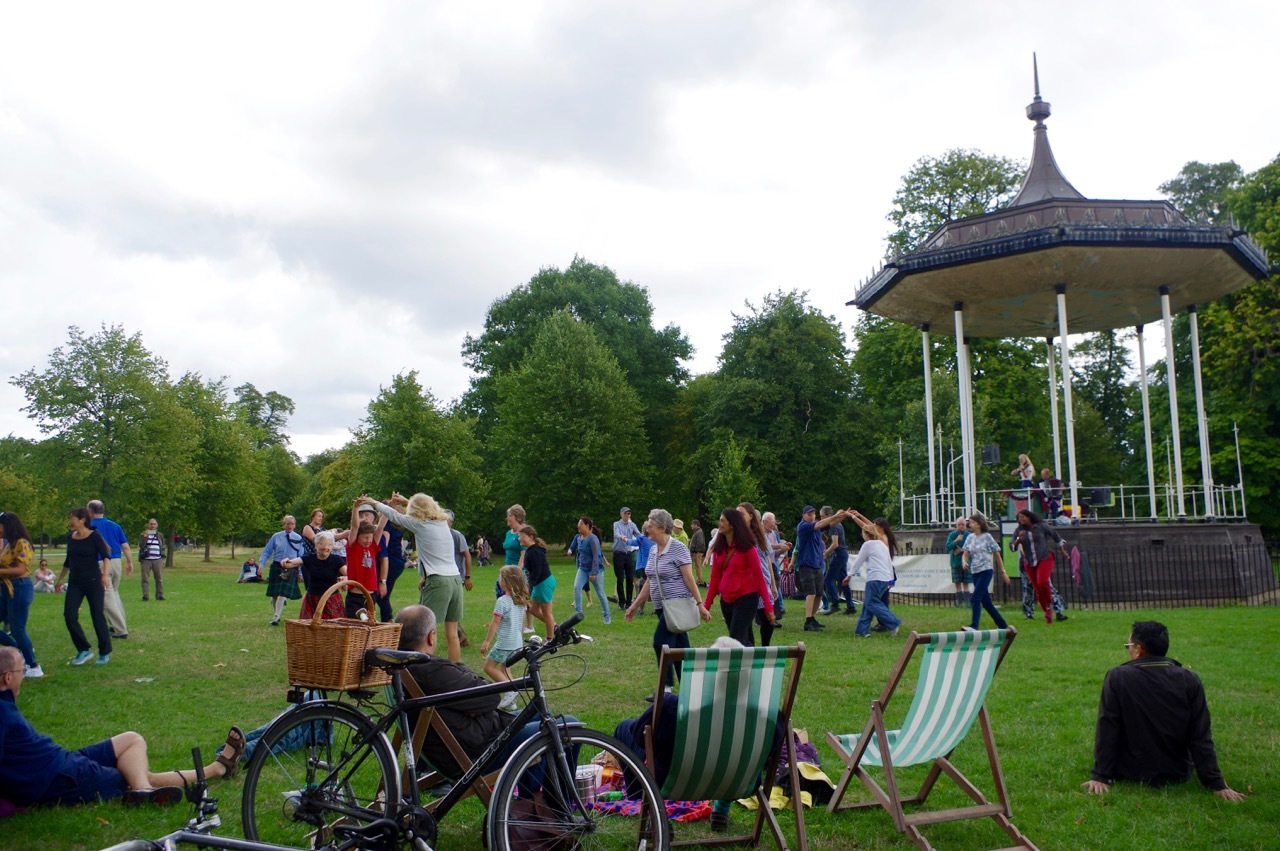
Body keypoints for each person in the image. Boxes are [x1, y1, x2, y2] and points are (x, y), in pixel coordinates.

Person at [0, 646, 244, 807]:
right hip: (60, 777)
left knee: (133, 739)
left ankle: (144, 789)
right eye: (21, 670)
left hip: (64, 761)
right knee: (136, 777)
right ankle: (215, 769)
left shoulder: (5, 703)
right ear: (7, 678)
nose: (24, 675)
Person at [393, 605, 577, 782]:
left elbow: (479, 696)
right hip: (480, 752)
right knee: (569, 726)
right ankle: (555, 806)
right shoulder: (431, 670)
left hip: (467, 740)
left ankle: (535, 797)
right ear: (431, 637)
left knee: (540, 712)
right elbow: (489, 697)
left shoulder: (405, 668)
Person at [1084, 622, 1245, 801]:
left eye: (1128, 646)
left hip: (1129, 770)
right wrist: (1215, 782)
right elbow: (1199, 735)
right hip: (1176, 771)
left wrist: (1101, 776)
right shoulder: (1189, 679)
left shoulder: (1118, 677)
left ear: (1138, 650)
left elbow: (1108, 726)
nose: (1128, 651)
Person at [362, 492, 464, 662]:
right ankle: (456, 670)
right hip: (455, 580)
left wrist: (373, 502)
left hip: (438, 581)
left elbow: (393, 514)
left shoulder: (420, 524)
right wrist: (404, 500)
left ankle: (425, 672)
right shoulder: (442, 522)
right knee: (452, 634)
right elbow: (427, 509)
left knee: (424, 631)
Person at [624, 509, 710, 687]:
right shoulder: (654, 549)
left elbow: (689, 578)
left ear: (662, 528)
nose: (647, 528)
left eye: (650, 525)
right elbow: (650, 581)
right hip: (661, 606)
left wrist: (700, 604)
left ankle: (666, 689)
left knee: (660, 642)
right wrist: (634, 605)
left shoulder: (678, 548)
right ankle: (690, 687)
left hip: (676, 605)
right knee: (680, 649)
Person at [705, 508, 774, 647]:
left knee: (735, 639)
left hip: (746, 598)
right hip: (726, 600)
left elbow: (759, 578)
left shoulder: (748, 548)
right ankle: (752, 665)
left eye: (723, 520)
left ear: (732, 524)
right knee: (743, 639)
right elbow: (715, 578)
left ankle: (740, 667)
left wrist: (768, 606)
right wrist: (707, 605)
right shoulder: (719, 548)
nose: (720, 523)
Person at [56, 508, 113, 665]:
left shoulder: (94, 536)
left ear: (82, 520)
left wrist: (104, 576)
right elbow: (68, 561)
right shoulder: (71, 537)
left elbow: (106, 556)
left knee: (97, 616)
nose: (70, 521)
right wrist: (60, 580)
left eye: (72, 517)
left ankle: (104, 652)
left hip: (94, 581)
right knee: (69, 615)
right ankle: (84, 649)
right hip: (75, 582)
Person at [844, 510, 902, 638]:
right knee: (870, 602)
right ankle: (862, 629)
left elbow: (858, 561)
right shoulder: (881, 543)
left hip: (876, 577)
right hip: (886, 576)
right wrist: (858, 515)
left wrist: (849, 575)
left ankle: (893, 621)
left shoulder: (871, 543)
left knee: (872, 603)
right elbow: (888, 561)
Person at [794, 505, 852, 632]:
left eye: (813, 514)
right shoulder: (803, 526)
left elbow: (832, 523)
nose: (812, 516)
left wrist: (844, 516)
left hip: (817, 564)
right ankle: (808, 621)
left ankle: (812, 618)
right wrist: (836, 514)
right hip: (806, 564)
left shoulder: (815, 527)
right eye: (809, 514)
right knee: (811, 593)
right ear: (803, 516)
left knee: (819, 594)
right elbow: (821, 524)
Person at [480, 565, 530, 711]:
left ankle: (511, 691)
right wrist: (519, 637)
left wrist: (487, 641)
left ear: (507, 582)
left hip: (504, 643)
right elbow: (523, 622)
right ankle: (511, 702)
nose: (498, 581)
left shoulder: (502, 601)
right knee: (505, 668)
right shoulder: (521, 601)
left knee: (489, 667)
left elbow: (495, 622)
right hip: (516, 642)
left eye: (500, 578)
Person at [0, 512, 42, 678]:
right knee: (17, 631)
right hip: (6, 588)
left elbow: (21, 569)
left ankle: (33, 666)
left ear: (8, 525)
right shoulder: (9, 544)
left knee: (17, 628)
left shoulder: (21, 543)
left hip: (19, 588)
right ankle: (20, 648)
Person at [1011, 509, 1068, 626]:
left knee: (1043, 582)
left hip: (1045, 558)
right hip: (1029, 562)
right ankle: (1047, 609)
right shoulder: (1019, 531)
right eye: (1019, 518)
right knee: (1037, 588)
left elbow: (1056, 536)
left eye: (1023, 517)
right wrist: (1018, 540)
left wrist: (1063, 551)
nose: (1021, 520)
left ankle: (1054, 608)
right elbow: (1012, 547)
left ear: (1029, 517)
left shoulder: (1041, 527)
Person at [87, 500, 132, 640]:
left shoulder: (88, 527)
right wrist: (130, 562)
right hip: (117, 561)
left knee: (106, 598)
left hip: (101, 563)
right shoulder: (115, 525)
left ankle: (121, 630)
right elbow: (125, 546)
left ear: (90, 511)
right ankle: (117, 623)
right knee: (114, 593)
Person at [280, 530, 347, 620]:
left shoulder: (337, 560)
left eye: (330, 545)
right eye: (323, 544)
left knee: (334, 627)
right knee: (308, 627)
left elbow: (348, 574)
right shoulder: (309, 558)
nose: (326, 548)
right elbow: (290, 563)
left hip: (331, 599)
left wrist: (346, 578)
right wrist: (285, 561)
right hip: (312, 599)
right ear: (316, 545)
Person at [960, 513, 1010, 631]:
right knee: (986, 603)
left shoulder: (987, 537)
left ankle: (974, 626)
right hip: (975, 572)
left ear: (979, 523)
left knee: (975, 598)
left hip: (986, 571)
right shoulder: (970, 537)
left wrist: (1003, 572)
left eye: (972, 522)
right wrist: (964, 562)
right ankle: (1002, 625)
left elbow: (997, 555)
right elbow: (965, 554)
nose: (970, 525)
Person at [343, 500, 388, 618]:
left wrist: (390, 507)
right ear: (357, 537)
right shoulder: (353, 546)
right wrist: (355, 507)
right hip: (355, 596)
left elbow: (381, 526)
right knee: (355, 625)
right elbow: (355, 526)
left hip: (371, 594)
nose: (368, 540)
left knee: (368, 624)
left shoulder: (372, 546)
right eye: (365, 538)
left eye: (370, 538)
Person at [260, 515, 304, 624]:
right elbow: (267, 551)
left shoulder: (298, 538)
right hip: (276, 566)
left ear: (295, 525)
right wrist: (261, 564)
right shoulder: (276, 536)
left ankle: (276, 616)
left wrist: (301, 572)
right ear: (283, 524)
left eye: (292, 524)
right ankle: (276, 615)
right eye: (288, 523)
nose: (290, 526)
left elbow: (302, 556)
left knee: (282, 593)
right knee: (274, 593)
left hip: (290, 566)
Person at [567, 517, 611, 624]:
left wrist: (593, 572)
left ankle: (607, 617)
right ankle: (578, 614)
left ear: (587, 526)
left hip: (595, 570)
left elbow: (596, 556)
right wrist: (570, 550)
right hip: (582, 569)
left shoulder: (593, 539)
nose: (578, 526)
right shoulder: (578, 538)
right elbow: (575, 549)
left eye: (581, 524)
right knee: (577, 588)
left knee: (600, 593)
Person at [518, 525, 556, 639]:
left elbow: (537, 572)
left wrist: (528, 588)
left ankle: (550, 639)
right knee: (533, 610)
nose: (520, 539)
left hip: (544, 583)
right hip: (538, 584)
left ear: (530, 537)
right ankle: (555, 627)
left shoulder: (535, 551)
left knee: (546, 612)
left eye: (522, 536)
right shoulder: (530, 550)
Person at [820, 506, 856, 617]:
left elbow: (835, 544)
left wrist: (826, 553)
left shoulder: (834, 525)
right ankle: (850, 606)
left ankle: (835, 604)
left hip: (839, 554)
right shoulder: (837, 524)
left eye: (822, 516)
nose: (821, 519)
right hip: (842, 553)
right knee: (843, 580)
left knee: (828, 579)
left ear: (829, 516)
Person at [760, 512, 792, 618]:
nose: (773, 524)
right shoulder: (759, 533)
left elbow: (775, 554)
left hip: (772, 565)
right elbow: (765, 547)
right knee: (765, 590)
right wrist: (779, 545)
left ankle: (775, 614)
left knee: (775, 588)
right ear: (764, 522)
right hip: (763, 566)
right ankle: (764, 615)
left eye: (774, 522)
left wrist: (783, 549)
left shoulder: (773, 533)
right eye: (772, 522)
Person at [612, 507, 641, 611]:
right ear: (621, 514)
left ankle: (629, 602)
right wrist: (622, 537)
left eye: (629, 513)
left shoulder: (632, 525)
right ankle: (621, 602)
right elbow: (616, 534)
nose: (628, 515)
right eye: (626, 513)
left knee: (630, 579)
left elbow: (638, 534)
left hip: (628, 554)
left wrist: (645, 538)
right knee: (620, 579)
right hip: (618, 554)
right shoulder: (616, 524)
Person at [945, 516, 972, 608]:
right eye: (959, 524)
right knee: (957, 583)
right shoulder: (952, 535)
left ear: (966, 525)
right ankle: (959, 603)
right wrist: (956, 541)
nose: (961, 526)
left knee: (966, 583)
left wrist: (962, 550)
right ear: (956, 525)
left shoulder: (969, 535)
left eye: (963, 524)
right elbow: (948, 547)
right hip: (955, 563)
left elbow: (972, 548)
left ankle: (968, 602)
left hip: (966, 563)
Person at [137, 517, 166, 602]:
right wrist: (144, 537)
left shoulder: (160, 535)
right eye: (151, 524)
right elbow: (141, 546)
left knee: (159, 578)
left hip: (157, 559)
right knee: (145, 578)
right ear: (148, 525)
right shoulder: (143, 534)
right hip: (146, 560)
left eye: (154, 524)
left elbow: (163, 545)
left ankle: (159, 595)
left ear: (156, 525)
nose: (152, 526)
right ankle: (145, 596)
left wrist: (162, 556)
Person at [687, 519, 707, 586]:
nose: (691, 526)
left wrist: (696, 551)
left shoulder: (699, 532)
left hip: (697, 552)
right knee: (696, 566)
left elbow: (700, 543)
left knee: (698, 566)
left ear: (696, 525)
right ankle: (698, 579)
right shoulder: (697, 532)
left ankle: (700, 580)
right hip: (696, 552)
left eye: (692, 524)